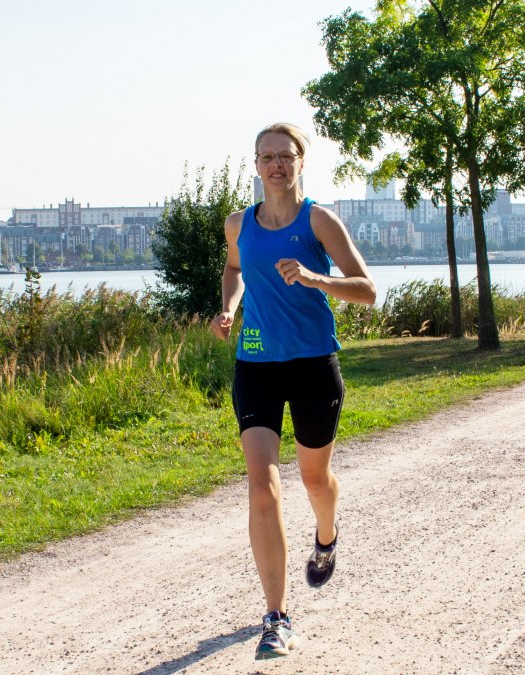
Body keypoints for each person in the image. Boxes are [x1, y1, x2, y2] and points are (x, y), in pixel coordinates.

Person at [210, 122, 377, 661]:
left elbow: (368, 291)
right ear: (256, 165)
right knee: (262, 486)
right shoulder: (238, 224)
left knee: (314, 479)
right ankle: (276, 618)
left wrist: (315, 278)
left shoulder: (319, 220)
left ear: (301, 162)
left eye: (285, 156)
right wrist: (229, 307)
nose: (276, 165)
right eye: (267, 157)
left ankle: (326, 535)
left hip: (312, 364)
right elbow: (234, 267)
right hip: (256, 364)